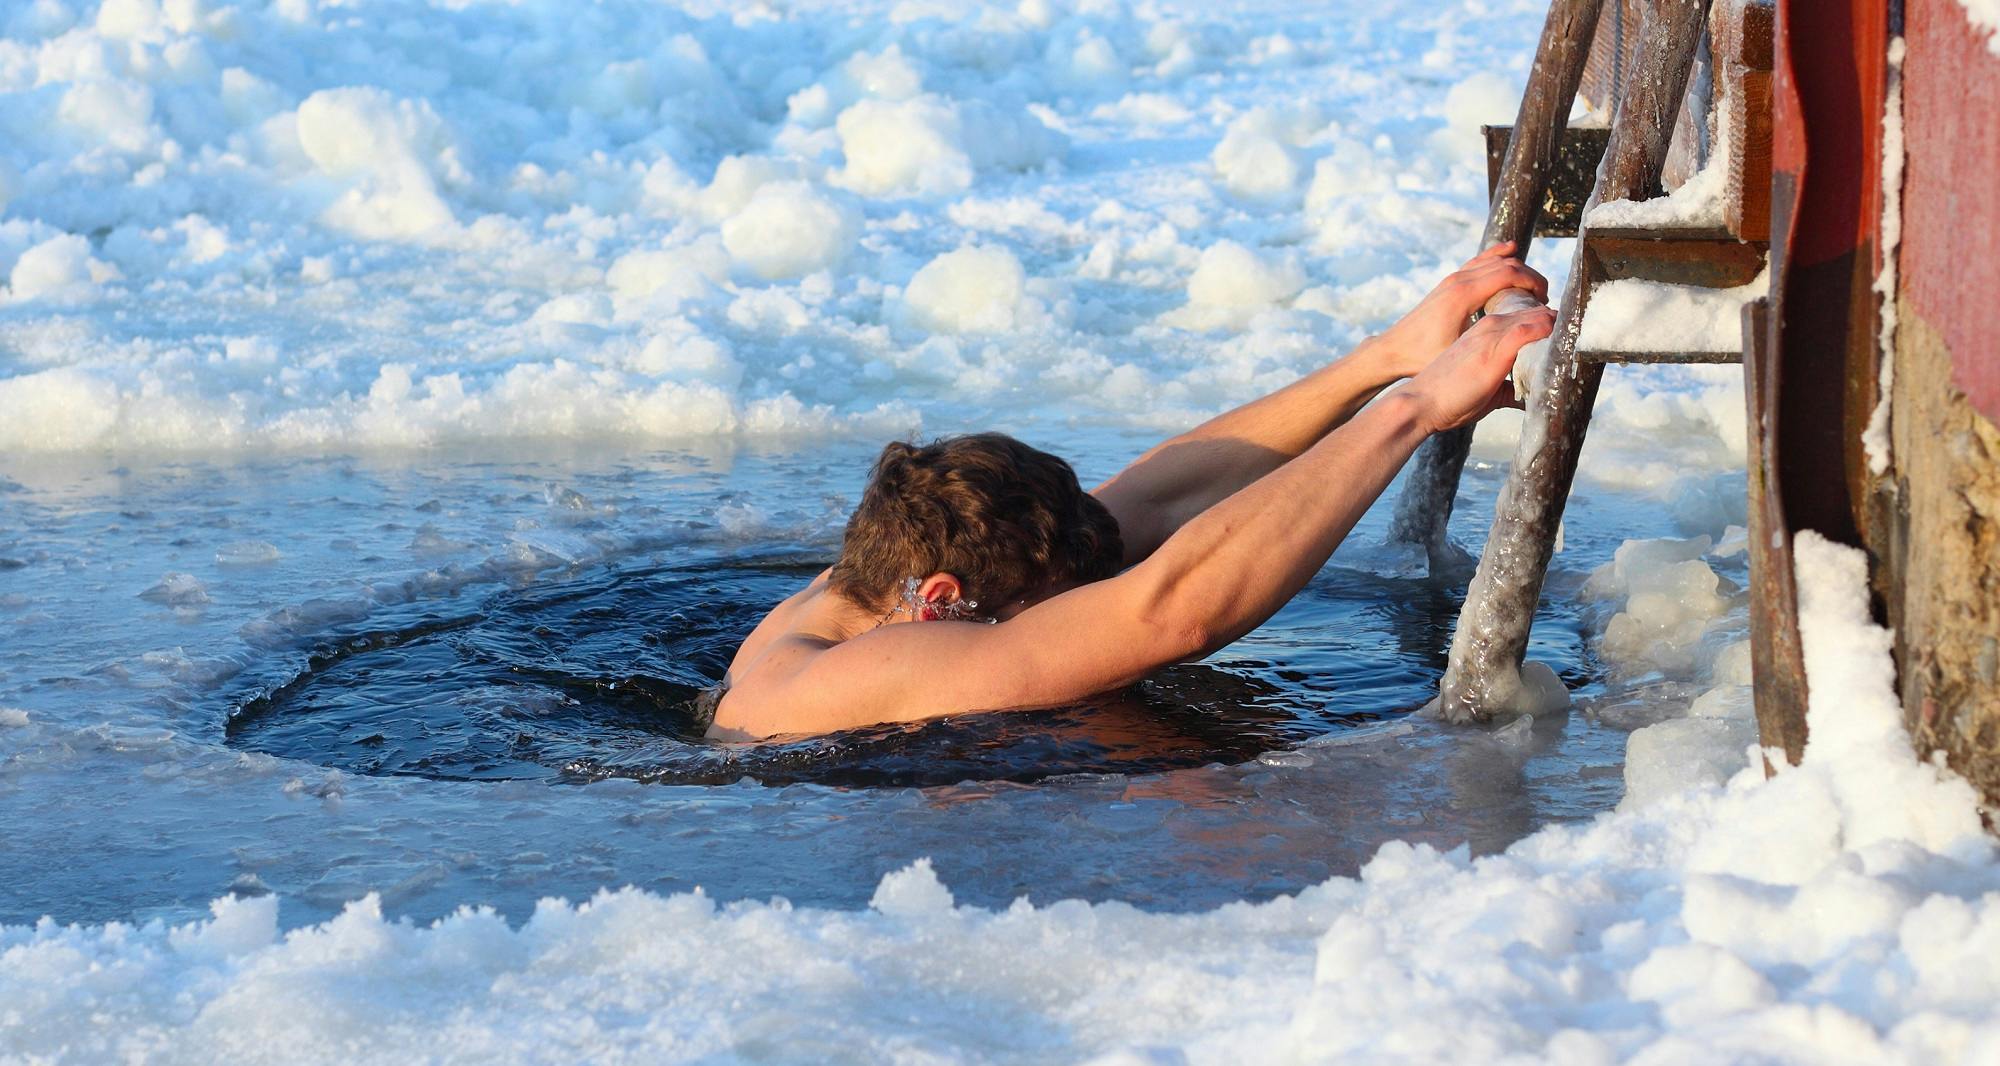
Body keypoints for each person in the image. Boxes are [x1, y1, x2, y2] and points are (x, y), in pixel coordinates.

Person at [707, 244, 1552, 741]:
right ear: (941, 601)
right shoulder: (851, 675)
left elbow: (1150, 502)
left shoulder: (880, 583)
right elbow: (1169, 612)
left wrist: (1385, 360)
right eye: (1054, 601)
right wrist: (1413, 413)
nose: (1085, 592)